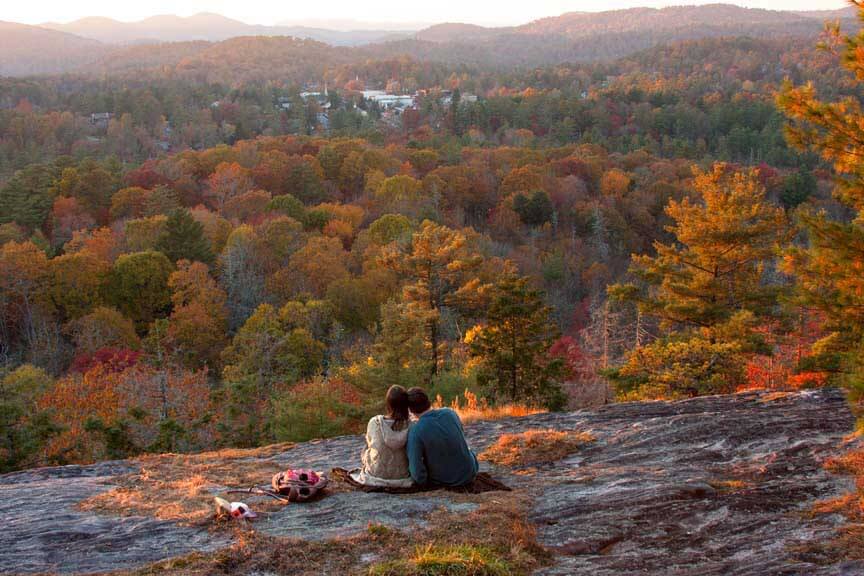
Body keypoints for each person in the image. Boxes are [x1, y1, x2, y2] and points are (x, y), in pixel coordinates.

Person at [406, 387, 479, 487]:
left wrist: (423, 482)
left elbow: (417, 473)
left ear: (410, 409)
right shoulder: (450, 413)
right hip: (470, 471)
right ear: (428, 401)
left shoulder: (415, 431)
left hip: (447, 480)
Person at [349, 385, 414, 488]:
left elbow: (370, 443)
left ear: (388, 404)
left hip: (375, 474)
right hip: (402, 476)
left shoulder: (375, 422)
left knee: (366, 448)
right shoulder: (412, 426)